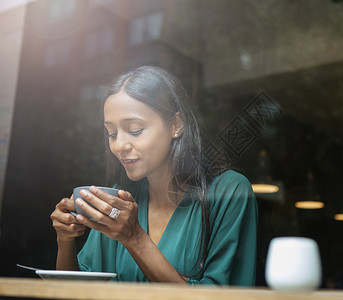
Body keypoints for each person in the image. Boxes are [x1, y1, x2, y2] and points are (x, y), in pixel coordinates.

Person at [50, 66, 258, 286]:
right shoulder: (121, 200)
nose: (119, 145)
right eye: (111, 133)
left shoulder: (229, 192)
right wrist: (65, 240)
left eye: (135, 129)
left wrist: (135, 238)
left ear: (176, 125)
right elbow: (77, 291)